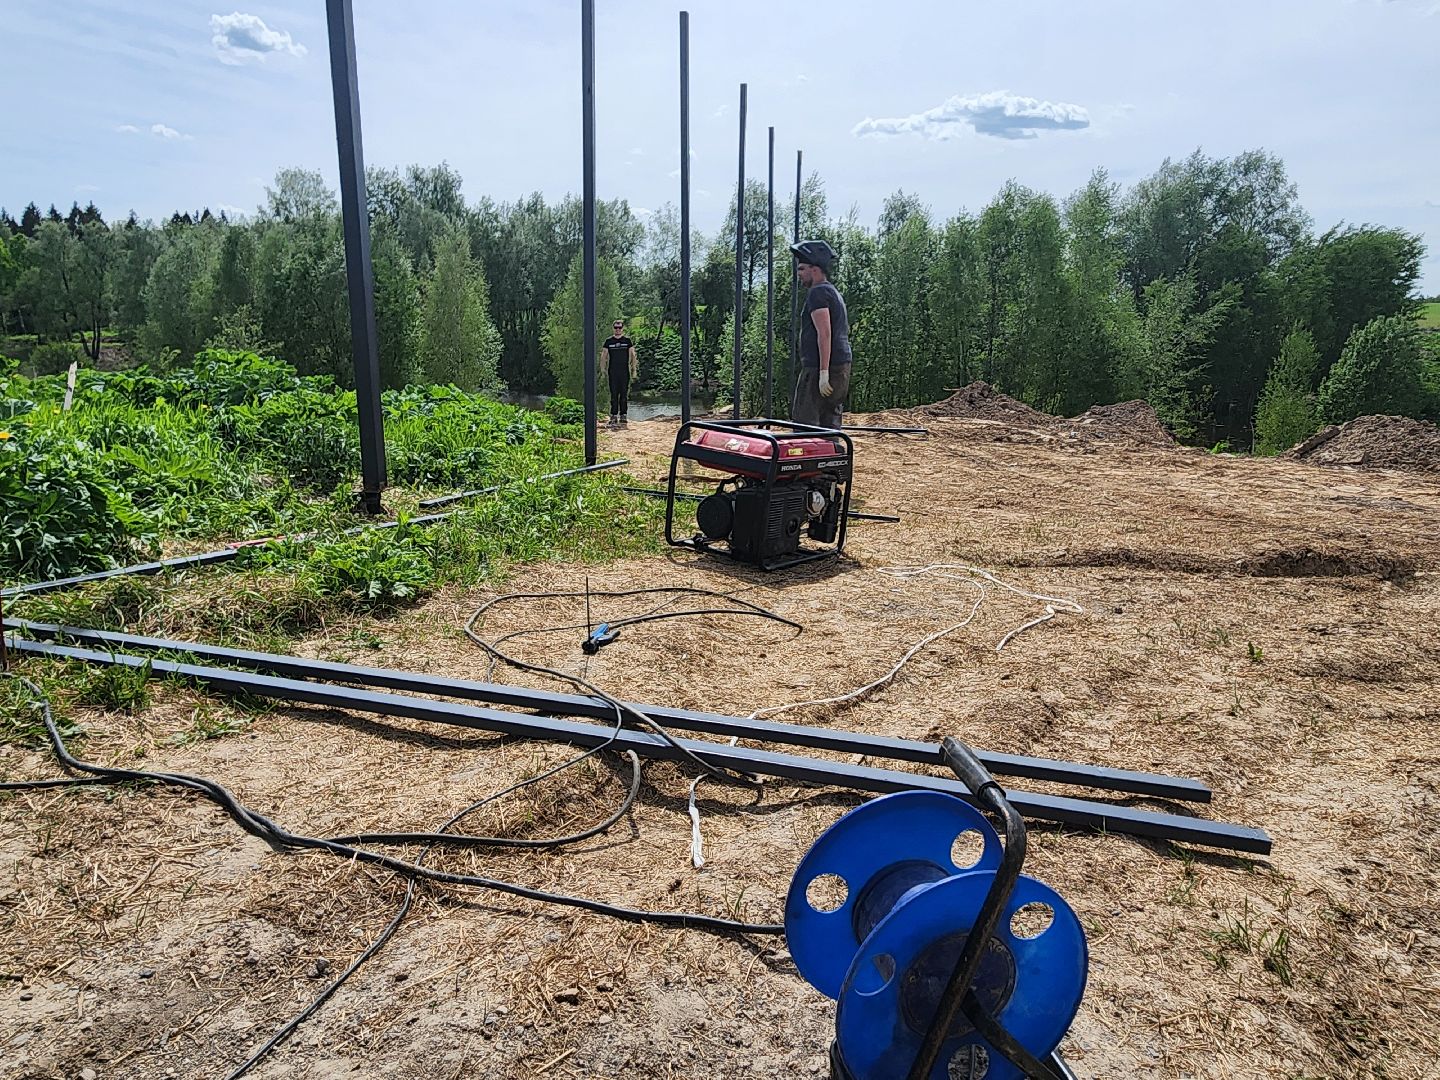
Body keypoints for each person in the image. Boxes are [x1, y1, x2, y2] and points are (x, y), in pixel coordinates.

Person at [790, 239, 851, 429]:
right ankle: (834, 457)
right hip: (840, 365)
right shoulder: (833, 292)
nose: (798, 274)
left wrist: (823, 373)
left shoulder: (818, 293)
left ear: (814, 269)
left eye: (801, 269)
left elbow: (824, 333)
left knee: (805, 425)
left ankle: (807, 459)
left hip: (819, 367)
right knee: (830, 423)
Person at [602, 319, 638, 428]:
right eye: (616, 328)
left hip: (624, 371)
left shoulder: (627, 341)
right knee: (613, 394)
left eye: (620, 328)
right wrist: (603, 369)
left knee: (623, 394)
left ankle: (623, 415)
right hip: (613, 371)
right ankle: (613, 415)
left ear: (622, 329)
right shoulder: (609, 341)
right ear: (613, 329)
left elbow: (632, 355)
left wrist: (634, 369)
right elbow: (604, 355)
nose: (618, 330)